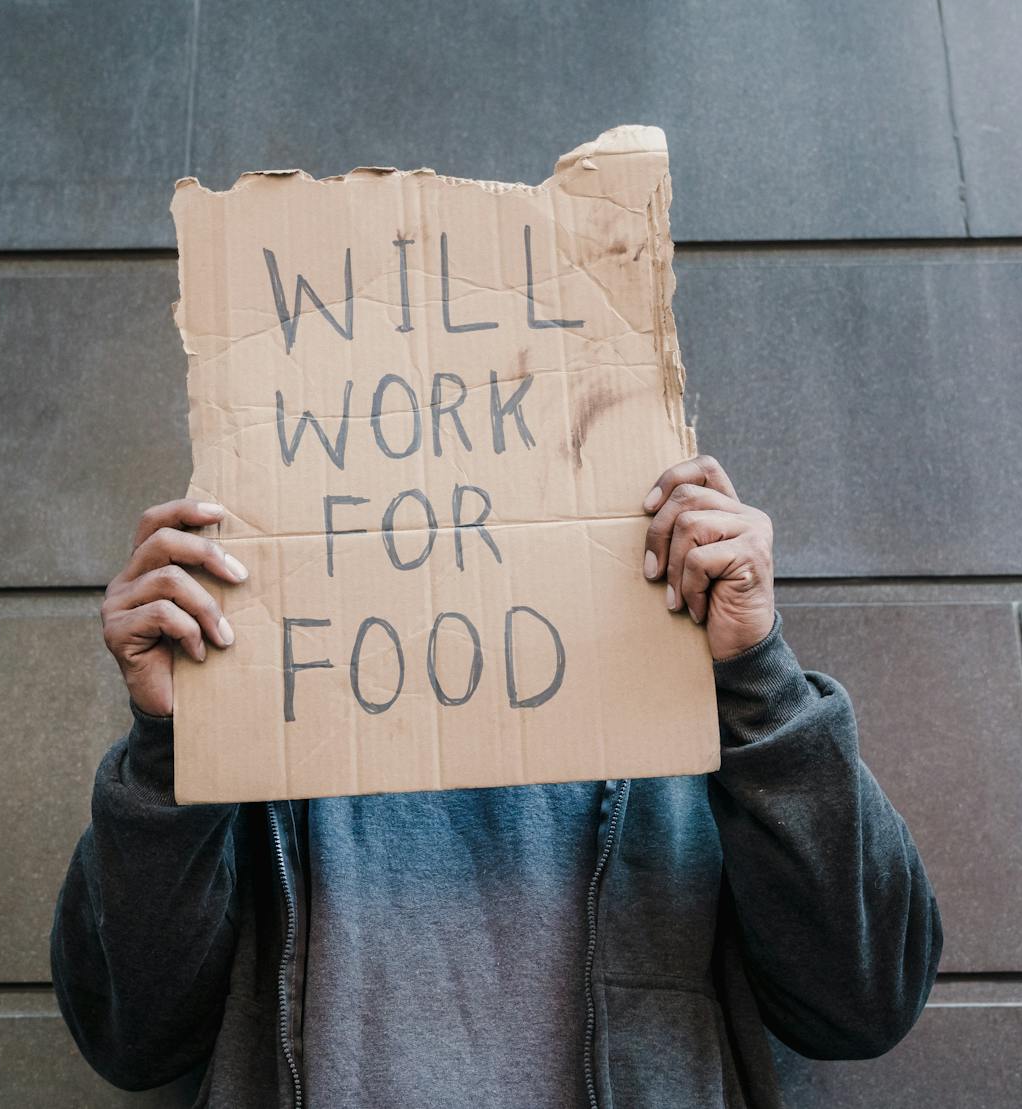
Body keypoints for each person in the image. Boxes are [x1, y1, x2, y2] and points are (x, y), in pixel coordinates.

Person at [52, 455, 942, 1108]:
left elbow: (865, 999)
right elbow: (131, 1036)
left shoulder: (685, 718)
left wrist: (757, 674)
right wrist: (174, 743)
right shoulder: (259, 729)